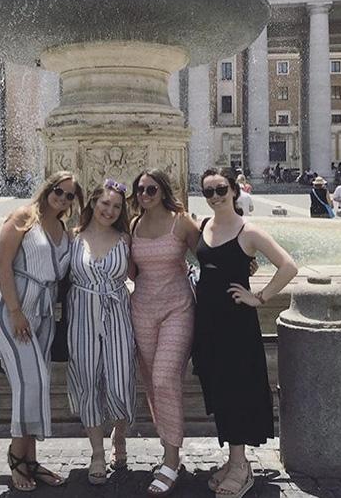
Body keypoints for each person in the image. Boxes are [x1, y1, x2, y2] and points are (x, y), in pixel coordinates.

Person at [193, 168, 297, 498]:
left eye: (221, 189)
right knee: (218, 388)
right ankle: (233, 459)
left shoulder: (248, 231)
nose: (215, 196)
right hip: (207, 320)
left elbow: (288, 265)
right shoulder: (204, 226)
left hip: (235, 323)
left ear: (235, 191)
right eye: (208, 191)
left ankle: (240, 464)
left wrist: (260, 297)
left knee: (235, 388)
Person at [0, 171, 83, 492]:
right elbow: (3, 265)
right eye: (59, 191)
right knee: (34, 382)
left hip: (42, 315)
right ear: (48, 189)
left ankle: (31, 460)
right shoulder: (23, 216)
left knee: (34, 386)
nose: (63, 198)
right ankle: (16, 456)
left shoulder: (64, 229)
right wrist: (15, 311)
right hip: (13, 310)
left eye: (70, 196)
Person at [129, 169, 199, 496]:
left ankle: (171, 460)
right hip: (141, 308)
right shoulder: (132, 225)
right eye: (140, 189)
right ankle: (167, 445)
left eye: (151, 189)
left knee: (164, 378)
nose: (145, 194)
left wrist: (244, 262)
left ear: (163, 190)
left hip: (177, 308)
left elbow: (208, 256)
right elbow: (129, 269)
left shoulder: (181, 222)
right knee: (151, 383)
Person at [67, 179, 135, 485]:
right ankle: (97, 452)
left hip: (118, 314)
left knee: (121, 380)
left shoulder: (126, 238)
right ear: (93, 202)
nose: (109, 210)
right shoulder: (73, 237)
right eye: (105, 203)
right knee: (87, 382)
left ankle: (119, 435)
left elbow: (151, 267)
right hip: (82, 315)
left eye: (116, 206)